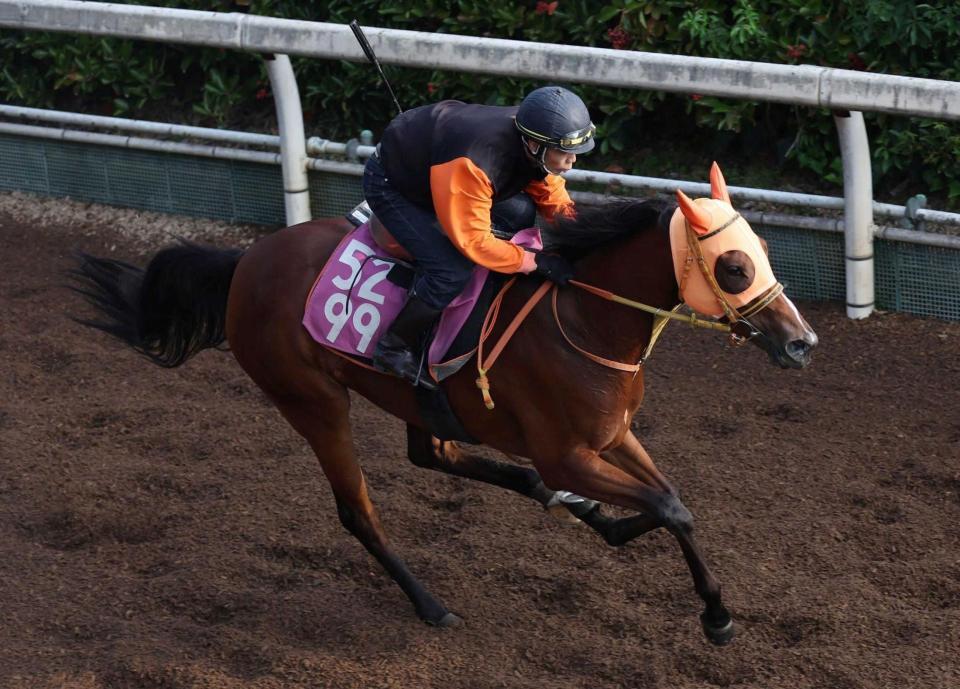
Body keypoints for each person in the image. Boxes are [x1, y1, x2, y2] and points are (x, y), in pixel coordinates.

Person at [362, 85, 596, 388]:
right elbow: (474, 242)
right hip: (393, 184)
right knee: (450, 269)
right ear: (535, 146)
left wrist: (580, 235)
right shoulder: (476, 161)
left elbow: (550, 193)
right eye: (564, 152)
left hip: (442, 164)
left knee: (520, 212)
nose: (572, 161)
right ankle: (393, 347)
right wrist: (534, 262)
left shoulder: (533, 132)